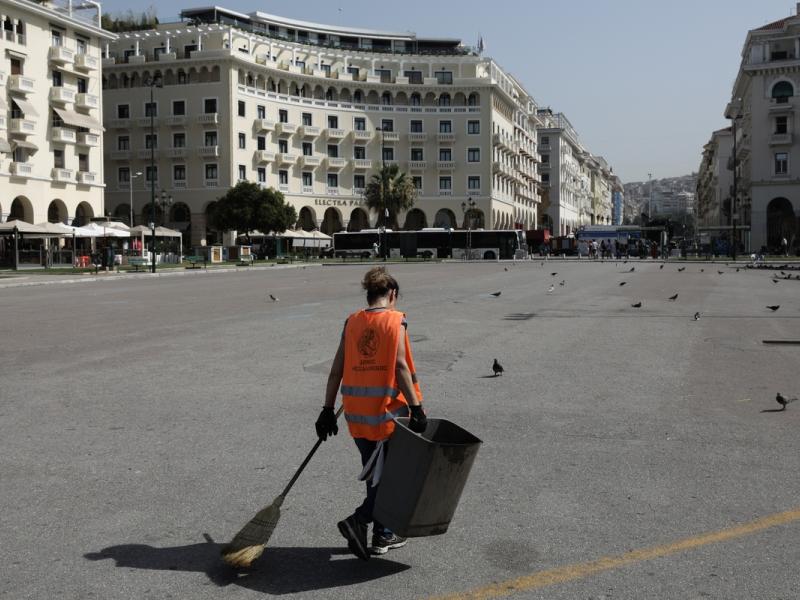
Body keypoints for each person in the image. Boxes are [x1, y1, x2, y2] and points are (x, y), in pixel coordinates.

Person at [316, 266, 426, 561]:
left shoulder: (352, 322)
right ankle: (360, 520)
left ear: (369, 294)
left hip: (357, 417)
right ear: (392, 294)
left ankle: (383, 534)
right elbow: (401, 367)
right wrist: (416, 408)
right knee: (391, 479)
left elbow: (337, 369)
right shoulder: (395, 321)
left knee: (376, 477)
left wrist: (327, 410)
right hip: (388, 416)